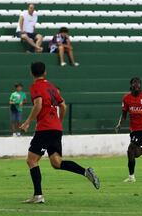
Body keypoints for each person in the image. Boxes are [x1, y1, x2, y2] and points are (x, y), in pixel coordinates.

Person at [19, 62, 100, 204]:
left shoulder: (35, 86)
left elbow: (38, 105)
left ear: (31, 73)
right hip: (56, 128)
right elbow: (63, 106)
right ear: (45, 72)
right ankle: (85, 172)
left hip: (45, 128)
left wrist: (27, 122)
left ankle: (38, 195)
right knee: (56, 162)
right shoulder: (52, 87)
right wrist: (59, 122)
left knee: (31, 160)